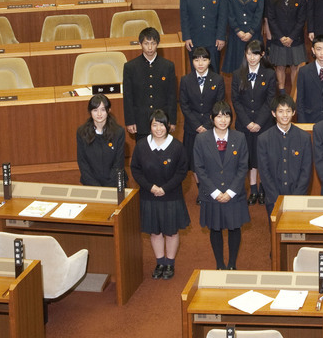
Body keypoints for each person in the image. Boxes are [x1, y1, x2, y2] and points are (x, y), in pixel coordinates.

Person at [130, 109, 189, 279]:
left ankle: (169, 264)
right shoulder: (141, 145)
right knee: (155, 231)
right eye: (154, 125)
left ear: (168, 126)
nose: (158, 129)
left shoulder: (177, 146)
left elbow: (182, 172)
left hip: (171, 196)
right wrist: (151, 187)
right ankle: (160, 262)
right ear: (150, 126)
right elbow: (135, 169)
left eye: (162, 125)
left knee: (171, 231)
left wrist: (164, 188)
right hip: (149, 196)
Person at [194, 101, 250, 270]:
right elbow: (199, 168)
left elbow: (243, 167)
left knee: (234, 228)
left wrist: (231, 192)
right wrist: (215, 192)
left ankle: (232, 263)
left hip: (234, 194)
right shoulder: (202, 139)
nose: (223, 120)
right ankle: (219, 264)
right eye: (219, 116)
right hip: (212, 195)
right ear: (212, 118)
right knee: (215, 229)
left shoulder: (239, 137)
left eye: (226, 115)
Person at [231, 39, 277, 204]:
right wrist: (247, 122)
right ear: (245, 54)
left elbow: (271, 100)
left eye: (256, 54)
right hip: (244, 124)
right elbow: (235, 101)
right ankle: (253, 189)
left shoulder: (270, 74)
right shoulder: (238, 74)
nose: (252, 57)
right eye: (249, 53)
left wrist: (258, 122)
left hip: (264, 124)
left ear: (262, 55)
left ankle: (263, 188)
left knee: (263, 158)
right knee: (248, 158)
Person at [178, 46, 226, 196]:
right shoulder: (186, 80)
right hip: (192, 128)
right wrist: (197, 125)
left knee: (212, 160)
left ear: (209, 61)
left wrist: (207, 125)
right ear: (192, 61)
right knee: (195, 162)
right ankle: (201, 190)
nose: (200, 63)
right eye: (196, 59)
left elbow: (219, 105)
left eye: (204, 59)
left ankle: (211, 188)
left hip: (212, 127)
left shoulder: (218, 79)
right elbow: (184, 106)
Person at [256, 94, 312, 216]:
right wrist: (276, 198)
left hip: (298, 198)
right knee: (275, 234)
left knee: (297, 233)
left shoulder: (304, 138)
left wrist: (296, 197)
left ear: (294, 112)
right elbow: (264, 172)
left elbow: (306, 171)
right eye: (280, 111)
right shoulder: (263, 139)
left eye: (288, 111)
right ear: (273, 113)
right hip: (273, 198)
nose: (285, 115)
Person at [123, 27, 177, 142]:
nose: (150, 47)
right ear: (140, 44)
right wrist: (130, 121)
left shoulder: (168, 66)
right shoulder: (130, 67)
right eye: (146, 43)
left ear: (158, 44)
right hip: (140, 121)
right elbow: (128, 97)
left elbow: (172, 96)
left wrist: (172, 121)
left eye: (153, 43)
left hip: (162, 122)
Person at [179, 0, 227, 72]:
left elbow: (223, 16)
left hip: (214, 39)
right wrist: (187, 37)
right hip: (194, 39)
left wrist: (221, 36)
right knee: (196, 70)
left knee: (214, 70)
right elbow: (184, 16)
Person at [266, 0, 307, 94]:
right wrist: (280, 37)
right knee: (280, 66)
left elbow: (302, 20)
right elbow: (271, 18)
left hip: (295, 38)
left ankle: (294, 93)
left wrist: (291, 37)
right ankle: (282, 92)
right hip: (279, 38)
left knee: (295, 66)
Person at [76, 94, 127, 187]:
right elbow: (83, 163)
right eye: (95, 110)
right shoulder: (82, 132)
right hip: (91, 184)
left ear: (109, 110)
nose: (99, 114)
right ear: (90, 112)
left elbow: (118, 163)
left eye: (103, 110)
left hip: (114, 184)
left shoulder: (118, 132)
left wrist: (107, 187)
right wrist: (95, 187)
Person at [223, 0, 265, 74]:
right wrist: (238, 31)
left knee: (255, 67)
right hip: (236, 34)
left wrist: (250, 32)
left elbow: (258, 14)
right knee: (237, 67)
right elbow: (230, 13)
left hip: (253, 34)